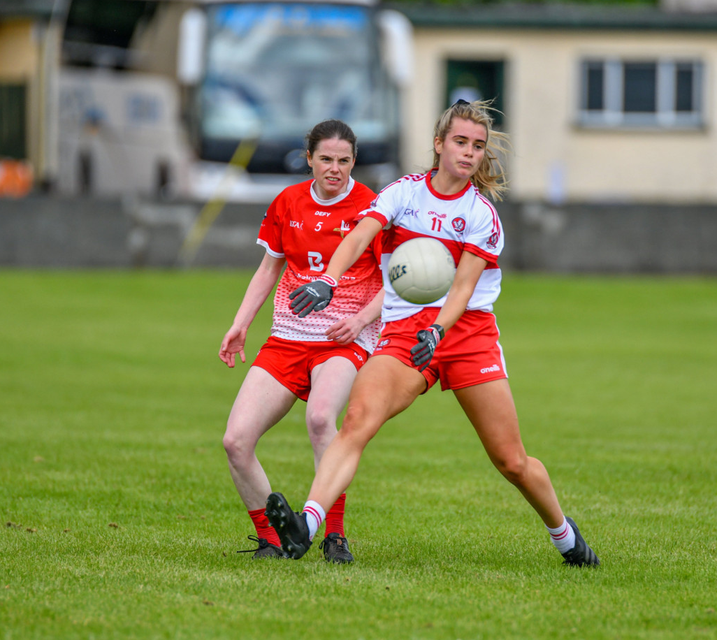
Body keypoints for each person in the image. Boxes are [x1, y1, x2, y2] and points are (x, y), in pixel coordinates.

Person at [265, 100, 600, 567]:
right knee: (359, 418)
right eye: (460, 142)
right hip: (405, 332)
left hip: (466, 334)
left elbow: (463, 287)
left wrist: (440, 329)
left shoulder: (482, 216)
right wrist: (328, 280)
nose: (469, 153)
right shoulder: (403, 193)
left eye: (478, 146)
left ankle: (565, 537)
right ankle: (308, 524)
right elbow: (360, 236)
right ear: (439, 144)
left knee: (511, 461)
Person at [219, 119, 384, 563]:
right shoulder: (287, 202)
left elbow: (397, 280)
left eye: (344, 161)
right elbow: (269, 268)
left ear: (354, 161)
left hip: (342, 339)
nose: (335, 169)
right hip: (288, 337)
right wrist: (241, 324)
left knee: (319, 419)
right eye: (326, 159)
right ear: (309, 158)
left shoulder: (373, 207)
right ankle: (274, 538)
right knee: (235, 441)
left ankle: (334, 535)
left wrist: (361, 319)